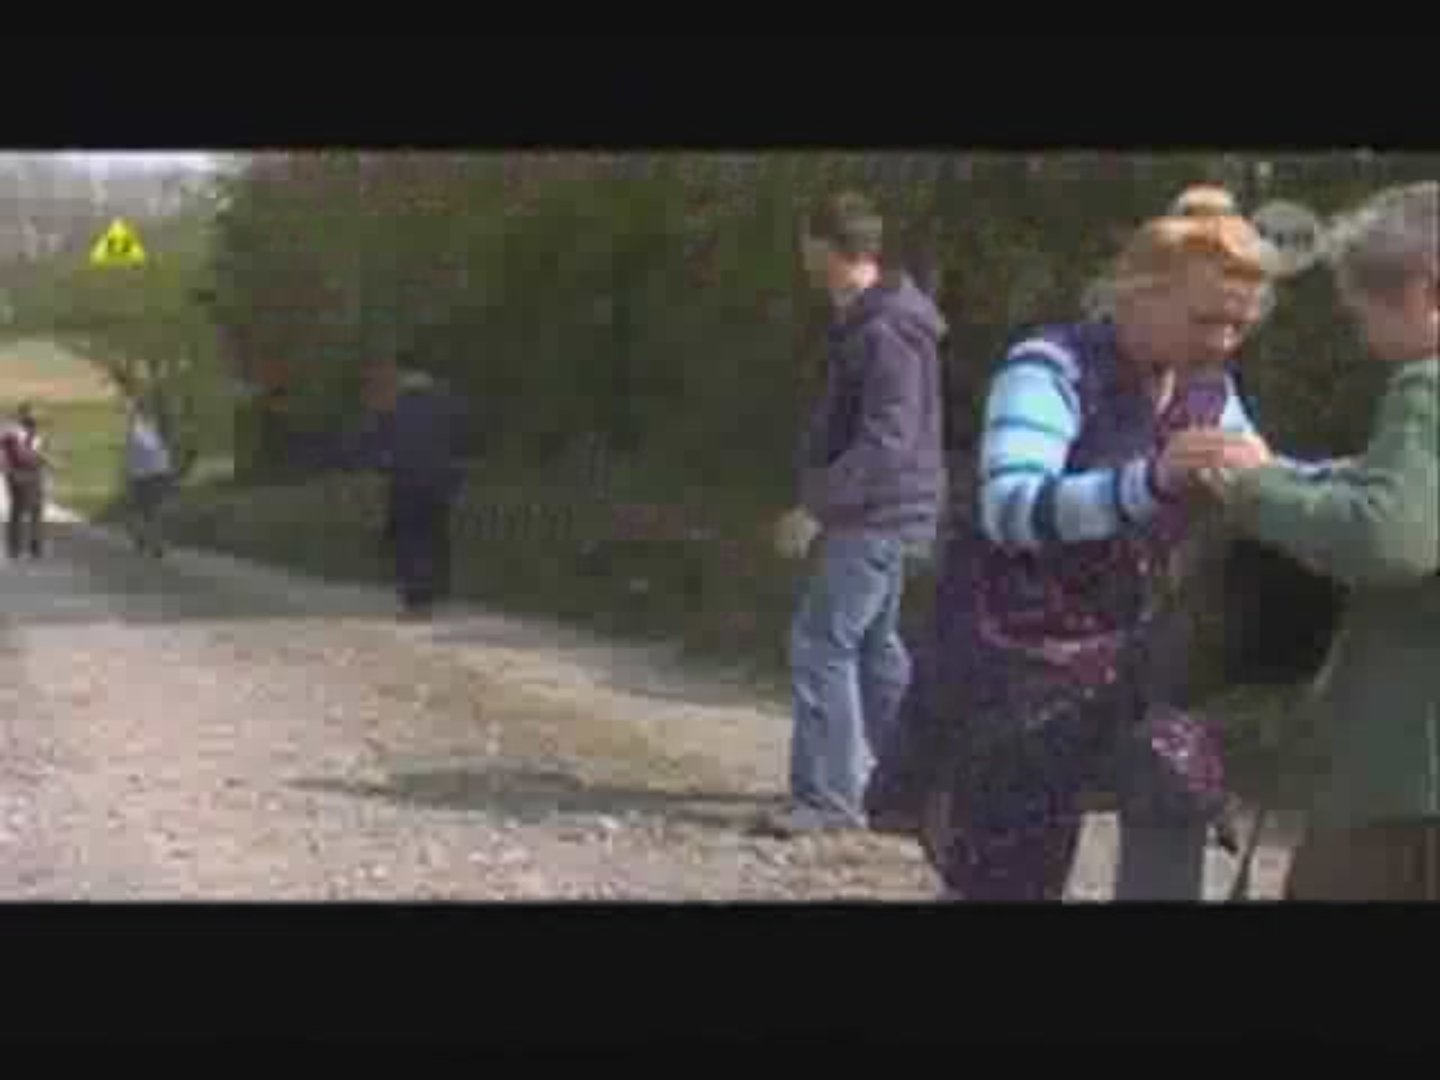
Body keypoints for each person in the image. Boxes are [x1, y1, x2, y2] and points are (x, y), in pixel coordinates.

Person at [868, 205, 1324, 900]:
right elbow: (1011, 507)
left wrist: (1357, 489)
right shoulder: (1049, 367)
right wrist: (1150, 482)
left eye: (1238, 326)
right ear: (1140, 292)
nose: (1224, 342)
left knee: (1178, 777)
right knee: (1006, 875)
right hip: (1016, 661)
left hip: (1138, 659)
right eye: (1207, 320)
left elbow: (1273, 479)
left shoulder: (1210, 391)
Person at [1190, 181, 1439, 900]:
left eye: (1364, 315)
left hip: (1412, 768)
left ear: (1426, 291)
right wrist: (1316, 477)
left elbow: (1388, 535)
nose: (1361, 336)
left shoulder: (1426, 388)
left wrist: (1254, 489)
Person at [752, 191, 948, 838]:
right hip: (889, 512)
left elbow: (886, 440)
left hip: (876, 515)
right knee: (872, 647)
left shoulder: (885, 330)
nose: (802, 258)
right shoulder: (878, 321)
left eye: (806, 244)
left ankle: (830, 797)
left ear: (823, 247)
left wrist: (817, 508)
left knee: (822, 641)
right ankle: (908, 787)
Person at [122, 399, 175, 557]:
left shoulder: (139, 430)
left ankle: (149, 540)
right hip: (154, 474)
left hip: (147, 476)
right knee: (151, 511)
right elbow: (155, 450)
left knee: (145, 511)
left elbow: (136, 454)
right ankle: (150, 541)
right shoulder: (146, 429)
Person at [2, 403, 54, 560]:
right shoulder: (11, 434)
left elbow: (40, 453)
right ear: (22, 416)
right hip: (18, 474)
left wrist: (48, 464)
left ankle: (36, 547)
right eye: (31, 416)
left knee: (37, 509)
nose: (34, 420)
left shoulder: (36, 435)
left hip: (34, 474)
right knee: (19, 510)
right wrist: (8, 471)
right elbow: (9, 453)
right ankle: (15, 548)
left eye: (35, 418)